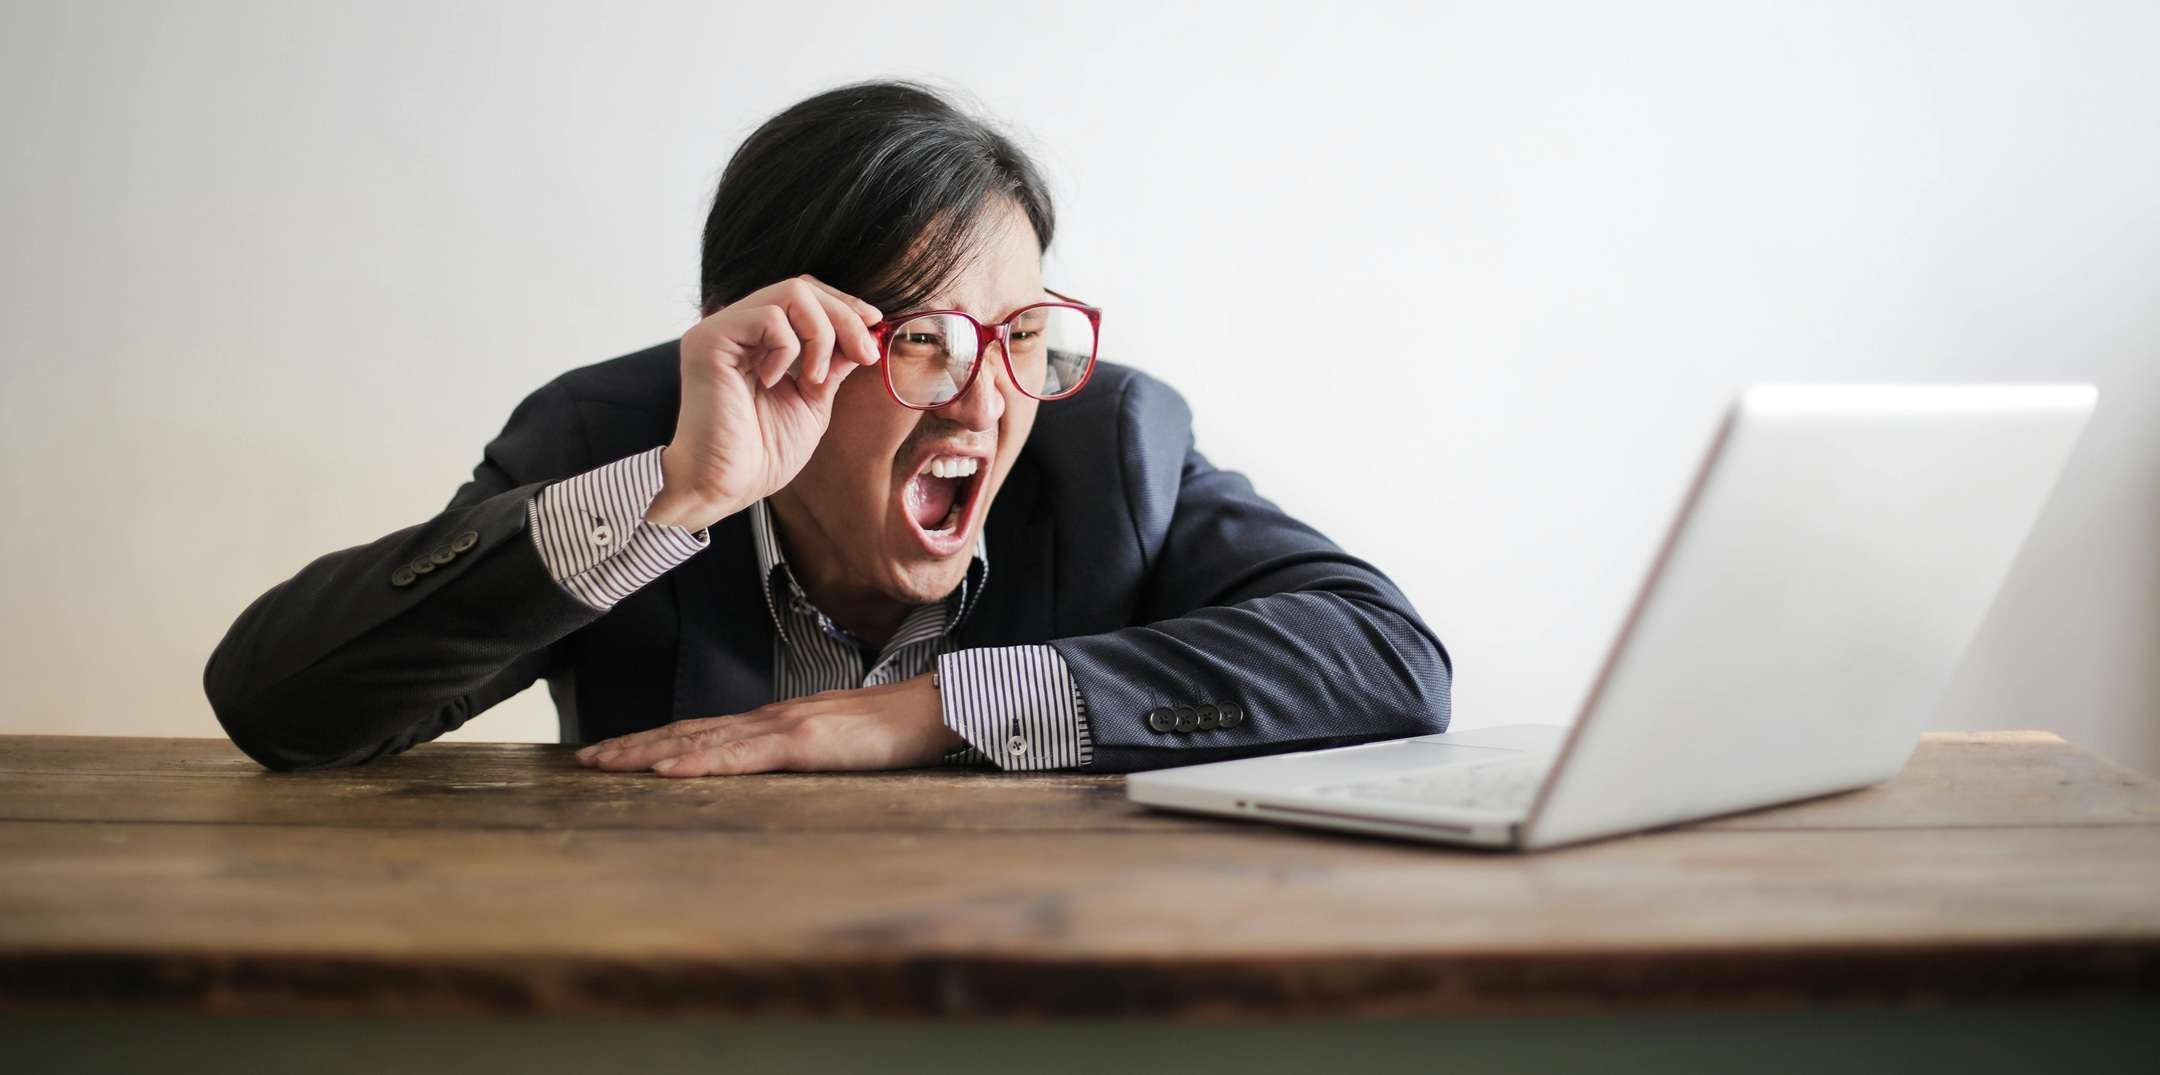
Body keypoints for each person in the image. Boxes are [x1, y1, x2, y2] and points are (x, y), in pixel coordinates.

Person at [202, 80, 1453, 776]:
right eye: (922, 338)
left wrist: (931, 709)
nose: (984, 398)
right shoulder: (612, 437)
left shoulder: (1110, 441)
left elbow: (1387, 656)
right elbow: (279, 705)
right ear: (764, 337)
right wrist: (673, 499)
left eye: (1020, 332)